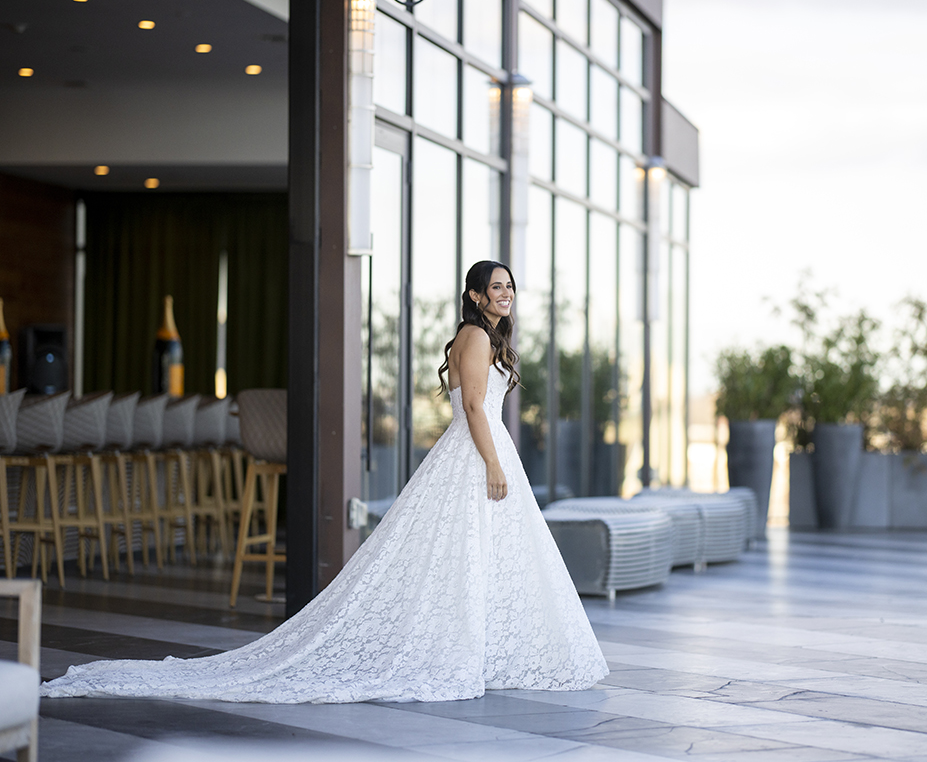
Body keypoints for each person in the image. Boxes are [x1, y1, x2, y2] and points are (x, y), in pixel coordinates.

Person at [41, 260, 609, 703]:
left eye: (511, 286)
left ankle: (479, 649)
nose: (506, 294)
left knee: (476, 557)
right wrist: (491, 463)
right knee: (464, 554)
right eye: (497, 287)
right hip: (475, 453)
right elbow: (479, 409)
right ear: (476, 295)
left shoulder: (478, 335)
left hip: (472, 452)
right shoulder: (477, 338)